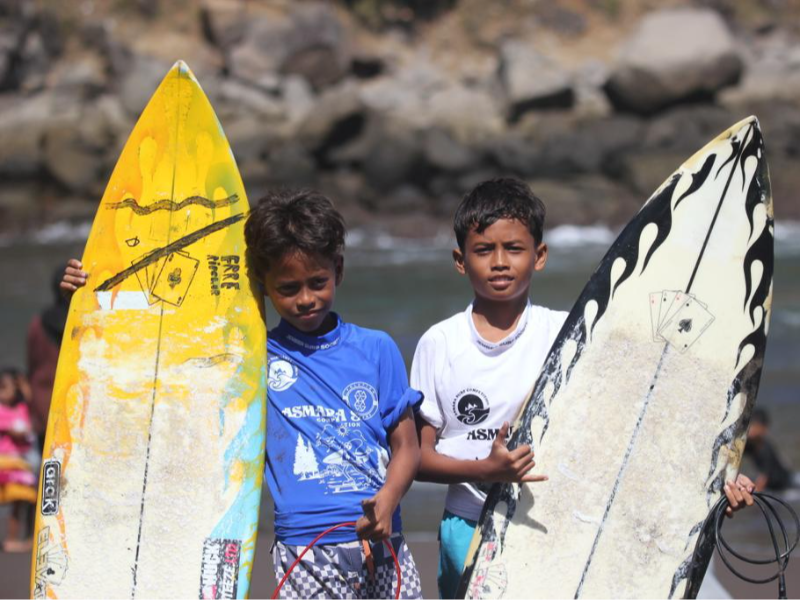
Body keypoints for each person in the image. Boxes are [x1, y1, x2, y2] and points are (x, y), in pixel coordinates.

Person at [62, 189, 424, 599]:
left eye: (317, 283)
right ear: (262, 285)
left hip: (383, 540)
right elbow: (151, 345)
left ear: (338, 270)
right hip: (304, 548)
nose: (305, 299)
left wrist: (388, 499)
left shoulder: (376, 349)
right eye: (288, 288)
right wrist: (86, 293)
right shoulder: (250, 361)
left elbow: (407, 446)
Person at [410, 177, 756, 600]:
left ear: (539, 257)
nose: (499, 261)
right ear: (460, 260)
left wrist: (715, 481)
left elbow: (639, 425)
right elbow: (417, 458)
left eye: (514, 249)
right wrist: (486, 470)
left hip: (551, 526)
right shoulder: (439, 343)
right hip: (467, 527)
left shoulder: (570, 335)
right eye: (484, 250)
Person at [27, 266, 69, 452]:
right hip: (71, 399)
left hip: (43, 399)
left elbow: (32, 363)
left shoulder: (38, 323)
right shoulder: (81, 320)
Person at [0, 368, 37, 552]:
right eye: (4, 388)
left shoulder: (21, 408)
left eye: (11, 388)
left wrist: (24, 385)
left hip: (17, 463)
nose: (9, 392)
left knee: (19, 501)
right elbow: (10, 429)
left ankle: (13, 538)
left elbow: (31, 403)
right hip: (3, 461)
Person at [745, 407, 800, 492]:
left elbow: (763, 478)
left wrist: (754, 493)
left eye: (755, 426)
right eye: (751, 425)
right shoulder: (750, 445)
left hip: (784, 484)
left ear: (763, 429)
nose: (752, 429)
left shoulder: (765, 449)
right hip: (776, 483)